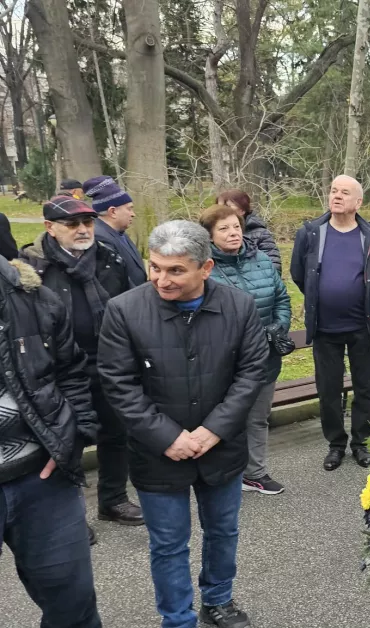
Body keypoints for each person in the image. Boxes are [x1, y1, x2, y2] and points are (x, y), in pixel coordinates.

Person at [99, 220, 269, 628]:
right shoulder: (123, 310)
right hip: (157, 453)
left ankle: (218, 600)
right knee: (169, 544)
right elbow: (118, 383)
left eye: (176, 270)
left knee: (223, 532)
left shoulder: (239, 306)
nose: (162, 279)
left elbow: (251, 373)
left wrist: (214, 429)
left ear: (206, 268)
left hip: (221, 448)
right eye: (155, 267)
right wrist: (167, 436)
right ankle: (177, 619)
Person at [19, 196, 141, 528]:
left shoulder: (109, 257)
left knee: (117, 434)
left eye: (87, 222)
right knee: (64, 441)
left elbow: (129, 303)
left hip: (109, 362)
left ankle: (113, 500)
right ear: (50, 227)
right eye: (72, 224)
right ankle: (69, 517)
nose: (83, 229)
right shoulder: (33, 268)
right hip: (60, 370)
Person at [0, 254, 102, 628]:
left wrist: (72, 436)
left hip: (42, 479)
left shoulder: (34, 297)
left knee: (73, 606)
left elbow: (71, 371)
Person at [291, 175, 370, 471]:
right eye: (334, 190)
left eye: (345, 192)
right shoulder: (311, 233)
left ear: (358, 202)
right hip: (325, 329)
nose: (336, 196)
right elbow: (299, 274)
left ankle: (361, 443)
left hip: (363, 328)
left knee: (366, 388)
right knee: (328, 390)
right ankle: (336, 445)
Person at [201, 205, 291, 496]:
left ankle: (255, 473)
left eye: (236, 227)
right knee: (225, 417)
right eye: (224, 228)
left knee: (257, 417)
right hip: (225, 361)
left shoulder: (261, 260)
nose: (233, 233)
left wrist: (278, 326)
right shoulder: (204, 269)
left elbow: (282, 299)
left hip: (265, 356)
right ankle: (222, 474)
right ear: (210, 236)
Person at [84, 175, 147, 287]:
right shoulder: (99, 238)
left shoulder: (119, 232)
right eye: (129, 208)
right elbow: (113, 282)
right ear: (113, 212)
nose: (133, 214)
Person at [216, 189, 281, 273]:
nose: (221, 211)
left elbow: (273, 267)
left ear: (242, 210)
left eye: (227, 207)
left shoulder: (261, 234)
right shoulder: (212, 233)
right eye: (218, 207)